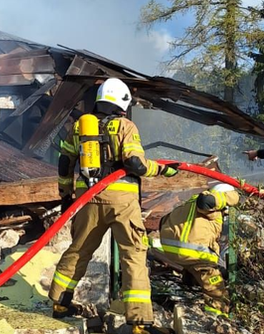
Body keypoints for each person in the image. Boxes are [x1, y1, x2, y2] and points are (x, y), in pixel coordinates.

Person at [49, 78, 178, 334]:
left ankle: (60, 304)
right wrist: (163, 170)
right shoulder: (125, 126)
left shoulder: (80, 127)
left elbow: (65, 162)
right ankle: (139, 323)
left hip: (89, 200)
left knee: (79, 250)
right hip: (122, 203)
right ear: (123, 102)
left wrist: (66, 195)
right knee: (134, 255)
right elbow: (136, 164)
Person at [159, 183, 239, 318]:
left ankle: (191, 279)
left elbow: (162, 221)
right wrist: (233, 197)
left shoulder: (189, 203)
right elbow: (205, 201)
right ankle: (216, 317)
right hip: (193, 253)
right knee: (216, 288)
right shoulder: (208, 204)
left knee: (195, 267)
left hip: (173, 250)